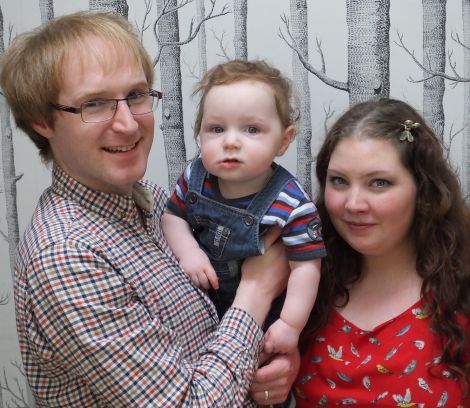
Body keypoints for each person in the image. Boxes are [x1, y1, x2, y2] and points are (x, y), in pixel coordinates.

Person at [0, 11, 299, 407]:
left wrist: (270, 367)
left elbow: (209, 347)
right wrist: (257, 291)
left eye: (136, 96)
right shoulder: (67, 257)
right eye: (95, 104)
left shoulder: (154, 201)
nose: (128, 124)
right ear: (42, 122)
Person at [294, 98, 470, 406]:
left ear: (422, 189)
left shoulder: (462, 290)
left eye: (378, 183)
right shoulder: (303, 282)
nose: (353, 204)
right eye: (339, 181)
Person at [162, 59, 326, 357]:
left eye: (251, 129)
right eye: (216, 129)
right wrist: (189, 252)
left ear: (283, 141)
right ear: (199, 134)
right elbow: (173, 217)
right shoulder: (195, 176)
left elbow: (306, 268)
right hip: (202, 310)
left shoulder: (291, 203)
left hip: (265, 321)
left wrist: (290, 324)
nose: (231, 141)